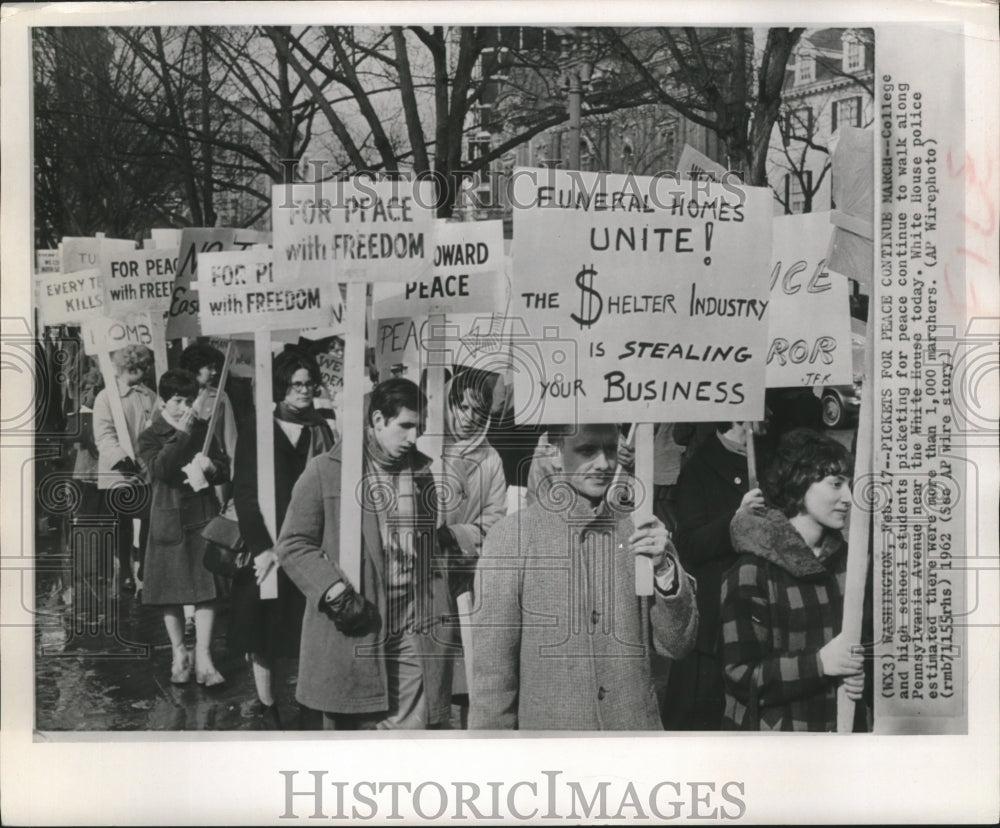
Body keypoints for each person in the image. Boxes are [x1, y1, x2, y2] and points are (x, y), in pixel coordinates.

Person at [470, 422, 698, 730]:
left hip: (632, 742)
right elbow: (494, 676)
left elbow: (677, 644)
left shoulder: (639, 529)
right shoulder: (512, 537)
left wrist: (665, 569)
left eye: (611, 449)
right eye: (588, 450)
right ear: (555, 452)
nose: (603, 463)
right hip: (552, 751)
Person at [275, 378, 459, 729]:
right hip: (356, 623)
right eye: (404, 426)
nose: (412, 438)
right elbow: (294, 543)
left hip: (412, 623)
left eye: (418, 428)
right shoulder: (326, 471)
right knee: (355, 734)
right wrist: (335, 591)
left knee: (409, 735)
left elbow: (426, 542)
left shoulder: (422, 474)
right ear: (377, 420)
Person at [721, 428, 863, 731]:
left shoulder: (850, 564)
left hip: (839, 739)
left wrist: (862, 672)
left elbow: (869, 646)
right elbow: (739, 675)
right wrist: (820, 664)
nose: (849, 498)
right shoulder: (752, 570)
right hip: (779, 747)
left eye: (849, 485)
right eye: (836, 484)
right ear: (800, 485)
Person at [231, 349, 337, 728]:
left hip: (308, 542)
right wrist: (261, 548)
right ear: (281, 388)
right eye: (296, 385)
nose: (304, 392)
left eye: (309, 384)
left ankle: (308, 701)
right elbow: (243, 491)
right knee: (264, 629)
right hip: (266, 541)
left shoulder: (322, 428)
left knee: (306, 626)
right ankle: (267, 704)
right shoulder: (257, 427)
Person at [661, 419, 767, 730]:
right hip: (715, 622)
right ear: (739, 419)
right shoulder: (699, 468)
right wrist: (735, 520)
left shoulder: (768, 460)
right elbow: (690, 545)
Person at [137, 368, 230, 687]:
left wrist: (212, 466)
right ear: (163, 401)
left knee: (207, 590)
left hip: (202, 515)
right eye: (178, 400)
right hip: (168, 519)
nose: (185, 407)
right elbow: (160, 469)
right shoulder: (151, 435)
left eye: (190, 400)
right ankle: (180, 654)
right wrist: (182, 434)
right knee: (169, 594)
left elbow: (224, 471)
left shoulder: (204, 429)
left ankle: (204, 656)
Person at [437, 369, 507, 724]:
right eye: (461, 407)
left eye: (477, 411)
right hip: (426, 573)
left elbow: (496, 516)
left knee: (468, 660)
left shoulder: (491, 459)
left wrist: (457, 534)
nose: (467, 417)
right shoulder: (428, 448)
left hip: (466, 573)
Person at [92, 344, 158, 595]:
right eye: (134, 368)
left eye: (143, 368)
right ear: (123, 368)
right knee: (122, 522)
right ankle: (126, 572)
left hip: (145, 468)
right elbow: (104, 435)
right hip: (118, 471)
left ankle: (145, 568)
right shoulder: (106, 397)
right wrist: (122, 461)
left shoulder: (150, 396)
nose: (140, 373)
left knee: (150, 518)